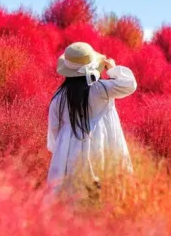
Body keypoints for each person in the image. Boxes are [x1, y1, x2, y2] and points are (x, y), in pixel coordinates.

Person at [46, 41, 137, 199]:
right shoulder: (101, 89)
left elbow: (54, 133)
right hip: (102, 146)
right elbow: (130, 85)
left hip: (69, 153)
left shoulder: (58, 98)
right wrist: (113, 69)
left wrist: (60, 151)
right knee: (102, 195)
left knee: (71, 199)